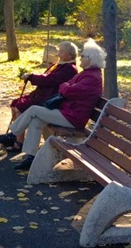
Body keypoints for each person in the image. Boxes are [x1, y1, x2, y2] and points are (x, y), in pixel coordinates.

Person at [9, 38, 105, 171]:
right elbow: (66, 86)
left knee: (33, 110)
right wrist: (66, 86)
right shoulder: (87, 74)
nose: (80, 58)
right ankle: (31, 157)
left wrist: (66, 86)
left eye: (83, 56)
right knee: (36, 120)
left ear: (90, 59)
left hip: (73, 118)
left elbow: (67, 89)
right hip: (68, 112)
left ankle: (12, 135)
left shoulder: (92, 78)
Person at [0, 41, 79, 152]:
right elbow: (47, 76)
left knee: (20, 108)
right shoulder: (60, 64)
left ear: (69, 55)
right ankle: (17, 140)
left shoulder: (70, 68)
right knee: (15, 104)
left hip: (49, 99)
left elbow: (50, 79)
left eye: (61, 52)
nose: (58, 54)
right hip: (42, 95)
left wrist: (32, 77)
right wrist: (32, 76)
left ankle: (17, 142)